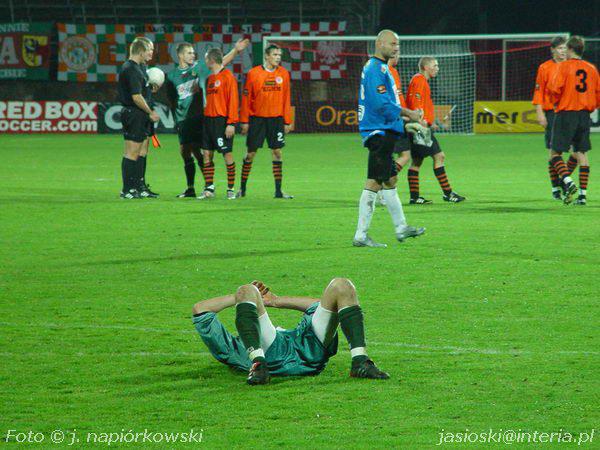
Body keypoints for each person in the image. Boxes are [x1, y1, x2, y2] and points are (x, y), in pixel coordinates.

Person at [192, 278, 390, 385]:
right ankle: (258, 365)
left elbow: (321, 304)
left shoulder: (236, 346)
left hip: (308, 348)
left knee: (342, 286)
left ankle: (360, 362)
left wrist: (274, 301)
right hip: (272, 357)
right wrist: (244, 295)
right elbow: (200, 310)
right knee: (246, 289)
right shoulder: (234, 348)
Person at [354, 29, 425, 248]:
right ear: (380, 44)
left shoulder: (381, 67)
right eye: (393, 44)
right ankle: (361, 235)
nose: (396, 48)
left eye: (398, 44)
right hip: (378, 132)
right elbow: (381, 104)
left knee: (390, 180)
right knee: (374, 182)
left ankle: (401, 227)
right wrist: (410, 114)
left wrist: (404, 123)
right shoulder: (375, 69)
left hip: (384, 131)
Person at [165, 40, 249, 198]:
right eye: (189, 52)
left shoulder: (201, 68)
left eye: (193, 52)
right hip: (185, 120)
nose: (193, 55)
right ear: (180, 55)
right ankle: (192, 188)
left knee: (205, 153)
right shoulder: (172, 76)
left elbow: (219, 62)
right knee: (186, 152)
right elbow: (172, 100)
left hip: (201, 118)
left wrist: (236, 50)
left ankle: (214, 187)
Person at [406, 57, 465, 204]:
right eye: (435, 65)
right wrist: (422, 122)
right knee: (439, 156)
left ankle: (415, 197)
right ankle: (448, 194)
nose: (437, 68)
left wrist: (429, 122)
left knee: (417, 161)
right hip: (420, 128)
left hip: (420, 126)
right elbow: (415, 103)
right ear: (426, 67)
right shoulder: (419, 80)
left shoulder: (421, 80)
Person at [548, 35, 599, 205]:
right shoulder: (591, 68)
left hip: (566, 113)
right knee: (581, 153)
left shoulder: (563, 67)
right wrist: (590, 107)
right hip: (584, 115)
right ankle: (583, 196)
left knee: (555, 153)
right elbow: (597, 93)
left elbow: (554, 89)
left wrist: (557, 103)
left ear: (570, 49)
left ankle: (567, 181)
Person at [238, 44, 293, 199]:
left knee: (277, 152)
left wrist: (287, 120)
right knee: (250, 154)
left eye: (279, 55)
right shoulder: (253, 73)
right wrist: (244, 120)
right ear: (267, 56)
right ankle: (242, 189)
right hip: (257, 119)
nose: (278, 58)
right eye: (275, 55)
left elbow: (286, 98)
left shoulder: (284, 74)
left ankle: (278, 191)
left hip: (276, 120)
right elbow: (246, 98)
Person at [532, 36, 577, 201]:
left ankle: (563, 181)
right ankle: (556, 187)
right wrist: (539, 112)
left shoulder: (573, 67)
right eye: (560, 48)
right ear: (553, 50)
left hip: (570, 113)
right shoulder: (545, 68)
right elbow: (538, 92)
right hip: (553, 114)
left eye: (565, 48)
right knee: (554, 152)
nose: (563, 51)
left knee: (576, 152)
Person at [117, 37, 159, 199]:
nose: (151, 53)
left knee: (142, 151)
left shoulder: (140, 68)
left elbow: (141, 91)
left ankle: (140, 187)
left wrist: (150, 89)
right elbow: (136, 97)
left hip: (140, 114)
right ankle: (127, 189)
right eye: (149, 50)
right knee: (132, 152)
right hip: (134, 113)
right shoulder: (131, 69)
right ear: (141, 51)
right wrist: (150, 112)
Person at [197, 48, 239, 200]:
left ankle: (230, 189)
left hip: (222, 121)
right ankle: (209, 188)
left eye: (206, 59)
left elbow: (233, 100)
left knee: (227, 154)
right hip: (208, 120)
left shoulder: (228, 77)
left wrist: (231, 123)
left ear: (211, 60)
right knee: (207, 154)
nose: (205, 62)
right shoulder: (209, 79)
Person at [376, 52, 411, 207]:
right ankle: (382, 185)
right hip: (390, 121)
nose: (399, 56)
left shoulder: (393, 72)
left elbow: (398, 97)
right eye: (396, 53)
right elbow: (387, 100)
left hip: (397, 119)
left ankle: (381, 184)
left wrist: (405, 113)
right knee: (399, 155)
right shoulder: (384, 73)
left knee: (403, 155)